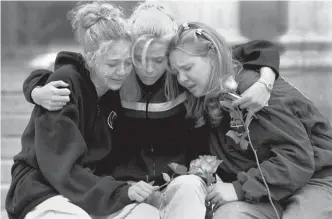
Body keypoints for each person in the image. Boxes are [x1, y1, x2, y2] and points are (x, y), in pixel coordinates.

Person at [20, 3, 283, 219]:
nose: (147, 69)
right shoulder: (119, 74)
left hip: (177, 182)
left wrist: (266, 81)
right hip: (124, 188)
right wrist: (35, 89)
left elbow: (259, 49)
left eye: (158, 60)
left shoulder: (180, 74)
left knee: (189, 188)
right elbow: (72, 69)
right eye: (138, 59)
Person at [5, 2, 161, 219]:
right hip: (43, 187)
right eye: (112, 64)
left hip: (89, 188)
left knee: (146, 215)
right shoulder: (63, 86)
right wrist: (117, 191)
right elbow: (60, 166)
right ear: (90, 59)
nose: (122, 71)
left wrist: (129, 186)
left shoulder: (117, 91)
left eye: (128, 62)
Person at [167, 21, 332, 219]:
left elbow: (297, 157)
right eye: (177, 73)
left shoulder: (252, 90)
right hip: (265, 191)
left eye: (188, 67)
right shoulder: (203, 98)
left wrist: (239, 189)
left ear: (212, 57)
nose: (182, 79)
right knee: (229, 216)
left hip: (314, 180)